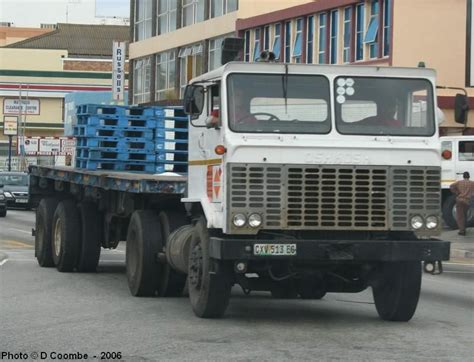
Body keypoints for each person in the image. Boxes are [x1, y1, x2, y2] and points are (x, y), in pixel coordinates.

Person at [450, 171, 474, 235]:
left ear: (463, 176)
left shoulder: (459, 182)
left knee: (460, 216)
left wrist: (456, 192)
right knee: (465, 215)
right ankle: (464, 228)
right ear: (469, 176)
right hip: (467, 201)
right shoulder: (472, 183)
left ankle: (462, 231)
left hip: (460, 200)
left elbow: (451, 186)